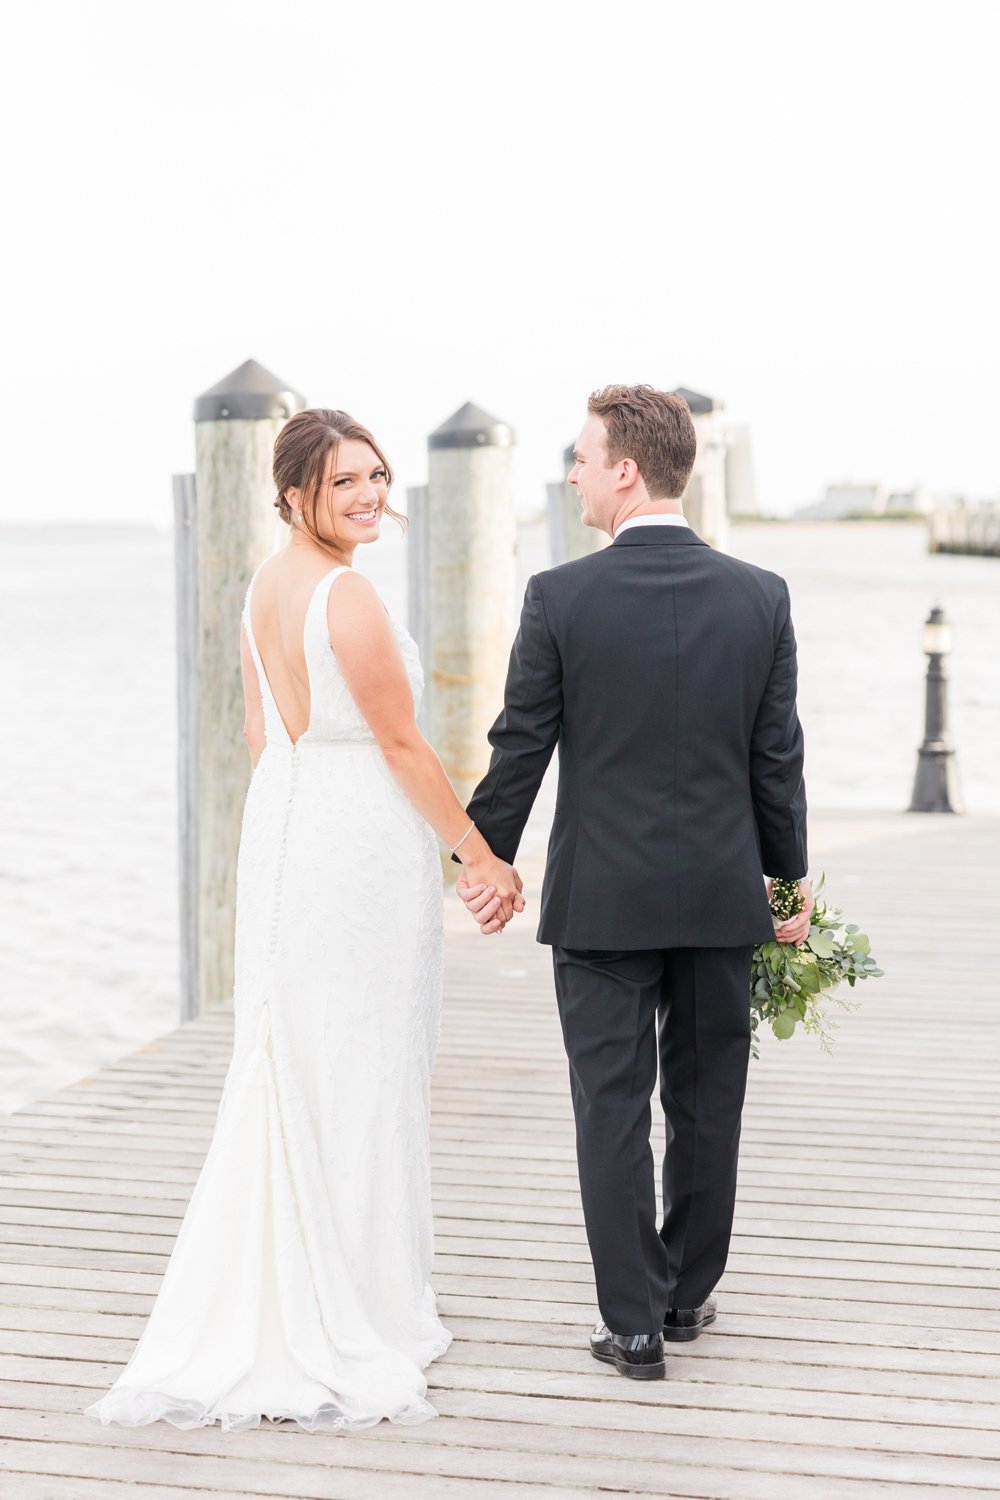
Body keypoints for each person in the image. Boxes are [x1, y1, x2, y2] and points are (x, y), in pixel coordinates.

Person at [86, 408, 522, 1433]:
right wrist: (479, 855)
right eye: (343, 484)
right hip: (356, 841)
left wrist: (299, 822)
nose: (369, 495)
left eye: (374, 474)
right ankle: (356, 1305)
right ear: (293, 497)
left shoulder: (259, 589)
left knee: (304, 1058)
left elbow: (256, 731)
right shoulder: (347, 596)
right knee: (362, 1063)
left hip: (289, 825)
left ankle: (322, 1281)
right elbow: (407, 751)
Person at [458, 384, 811, 1381]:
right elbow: (774, 759)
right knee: (707, 1099)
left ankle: (635, 1325)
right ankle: (687, 1293)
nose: (569, 473)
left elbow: (519, 746)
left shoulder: (560, 597)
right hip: (715, 897)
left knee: (610, 1105)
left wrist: (483, 863)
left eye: (579, 456)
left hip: (602, 903)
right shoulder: (759, 594)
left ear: (625, 470)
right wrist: (785, 882)